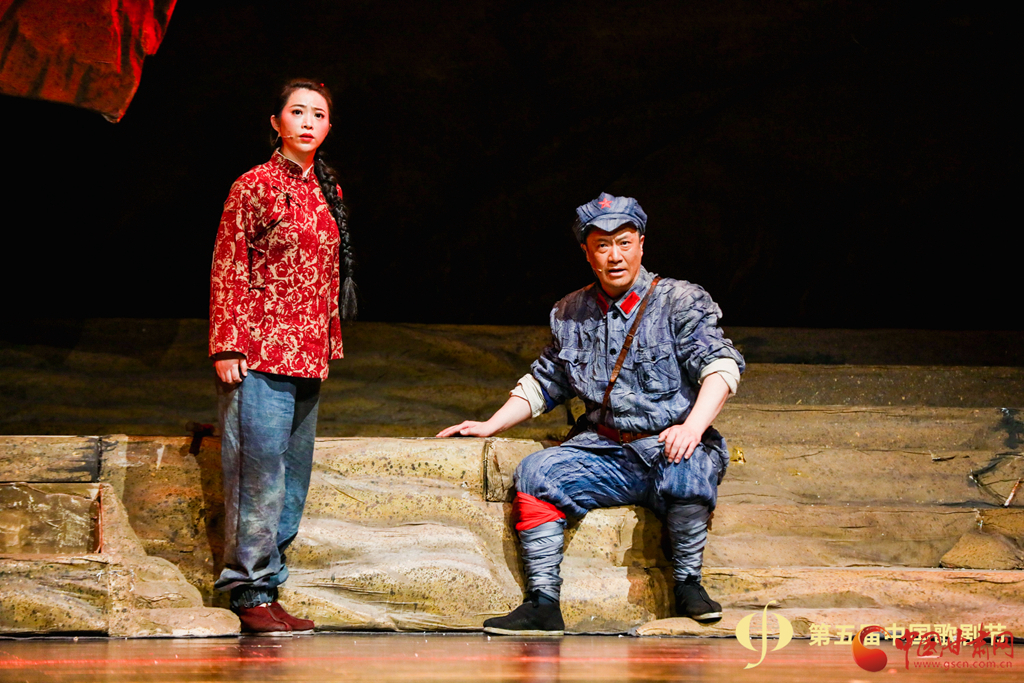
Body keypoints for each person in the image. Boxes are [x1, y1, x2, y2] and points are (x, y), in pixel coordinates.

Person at [437, 193, 744, 636]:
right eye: (602, 245)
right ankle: (542, 603)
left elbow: (721, 366)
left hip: (667, 445)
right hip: (605, 451)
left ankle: (688, 585)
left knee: (689, 467)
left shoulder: (680, 301)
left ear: (641, 244)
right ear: (587, 252)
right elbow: (546, 381)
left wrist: (692, 427)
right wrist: (489, 425)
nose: (614, 256)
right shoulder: (570, 312)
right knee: (537, 473)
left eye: (623, 243)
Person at [208, 79, 356, 635]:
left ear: (329, 126)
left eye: (318, 114)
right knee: (258, 474)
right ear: (277, 122)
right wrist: (227, 342)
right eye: (297, 112)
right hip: (260, 350)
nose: (308, 122)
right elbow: (230, 262)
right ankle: (247, 588)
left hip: (308, 351)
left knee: (292, 477)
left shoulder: (326, 188)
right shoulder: (253, 186)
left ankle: (269, 585)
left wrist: (327, 338)